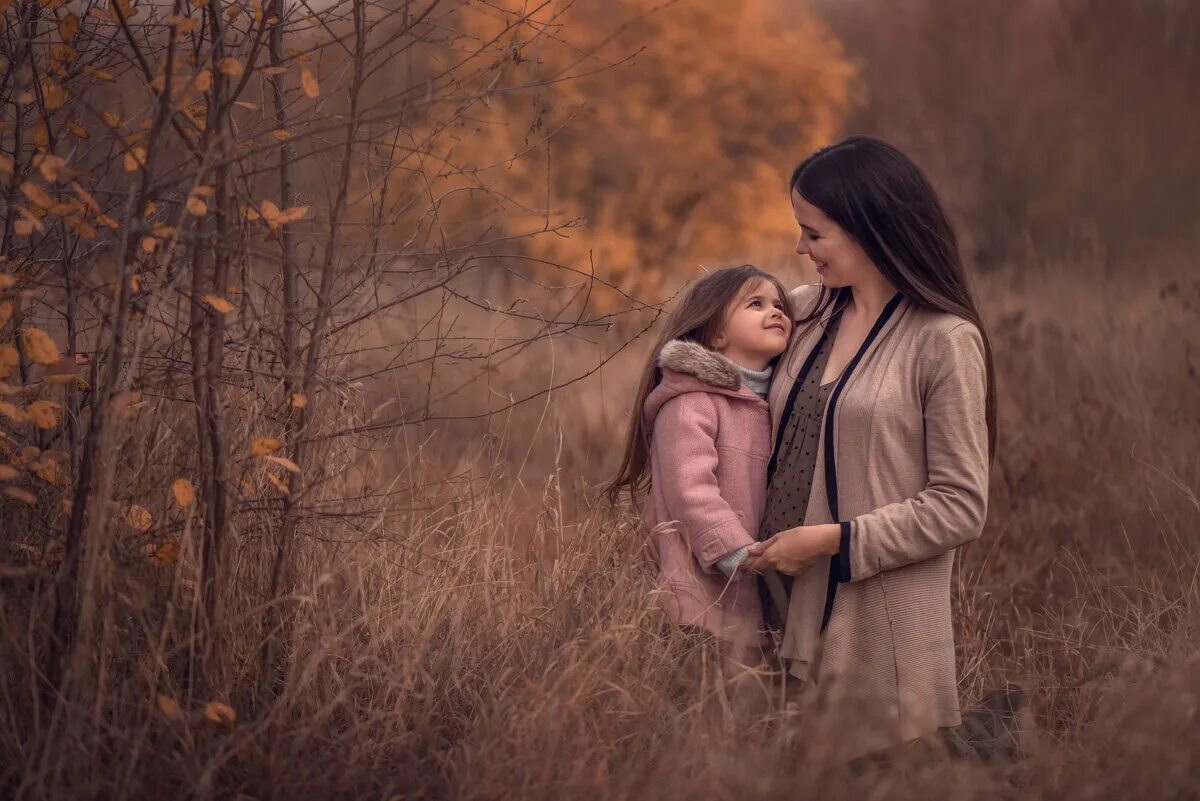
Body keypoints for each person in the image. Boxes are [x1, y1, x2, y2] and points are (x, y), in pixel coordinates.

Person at [742, 136, 996, 759]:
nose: (799, 249)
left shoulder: (943, 341)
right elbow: (712, 368)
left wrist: (830, 540)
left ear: (869, 229)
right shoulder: (801, 313)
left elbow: (961, 506)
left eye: (814, 233)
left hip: (878, 629)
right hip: (773, 609)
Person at [606, 265, 794, 674]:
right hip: (700, 582)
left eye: (780, 305)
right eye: (756, 303)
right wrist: (732, 549)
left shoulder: (769, 403)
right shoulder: (691, 401)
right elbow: (688, 487)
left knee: (749, 698)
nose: (777, 312)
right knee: (707, 692)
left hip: (750, 582)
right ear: (717, 334)